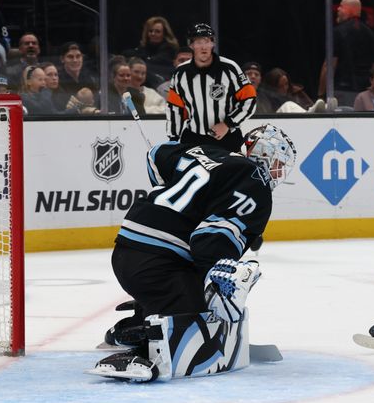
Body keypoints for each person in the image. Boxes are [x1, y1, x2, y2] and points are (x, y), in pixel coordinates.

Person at [90, 124, 297, 382]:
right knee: (203, 317)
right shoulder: (257, 182)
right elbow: (207, 243)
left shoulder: (207, 151)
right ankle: (147, 342)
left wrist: (176, 196)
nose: (277, 172)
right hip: (158, 264)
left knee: (197, 292)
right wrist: (217, 282)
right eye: (277, 162)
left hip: (126, 250)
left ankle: (139, 320)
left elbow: (155, 155)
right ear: (261, 154)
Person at [166, 23, 256, 152]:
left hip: (227, 139)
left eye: (207, 41)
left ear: (213, 44)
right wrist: (173, 139)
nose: (203, 47)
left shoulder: (230, 68)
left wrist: (228, 124)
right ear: (191, 45)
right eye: (198, 42)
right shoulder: (181, 73)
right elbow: (175, 108)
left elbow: (250, 100)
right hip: (193, 140)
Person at [318, 0, 374, 107]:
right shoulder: (370, 33)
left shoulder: (337, 32)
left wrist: (321, 94)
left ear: (349, 10)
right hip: (365, 92)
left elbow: (329, 66)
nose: (338, 9)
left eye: (341, 6)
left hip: (343, 91)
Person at [123, 16, 179, 84]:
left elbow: (152, 62)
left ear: (164, 34)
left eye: (157, 31)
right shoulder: (144, 47)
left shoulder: (170, 49)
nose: (153, 34)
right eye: (150, 31)